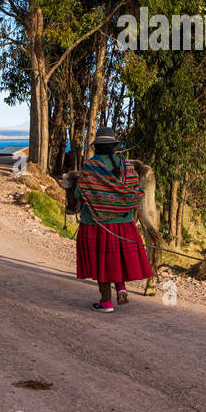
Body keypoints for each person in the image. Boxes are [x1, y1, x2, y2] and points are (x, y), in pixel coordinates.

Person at [73, 126, 152, 312]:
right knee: (115, 258)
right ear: (114, 146)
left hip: (96, 223)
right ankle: (121, 288)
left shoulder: (90, 167)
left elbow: (78, 193)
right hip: (124, 224)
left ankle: (106, 302)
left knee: (102, 261)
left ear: (97, 147)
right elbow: (135, 191)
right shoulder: (126, 166)